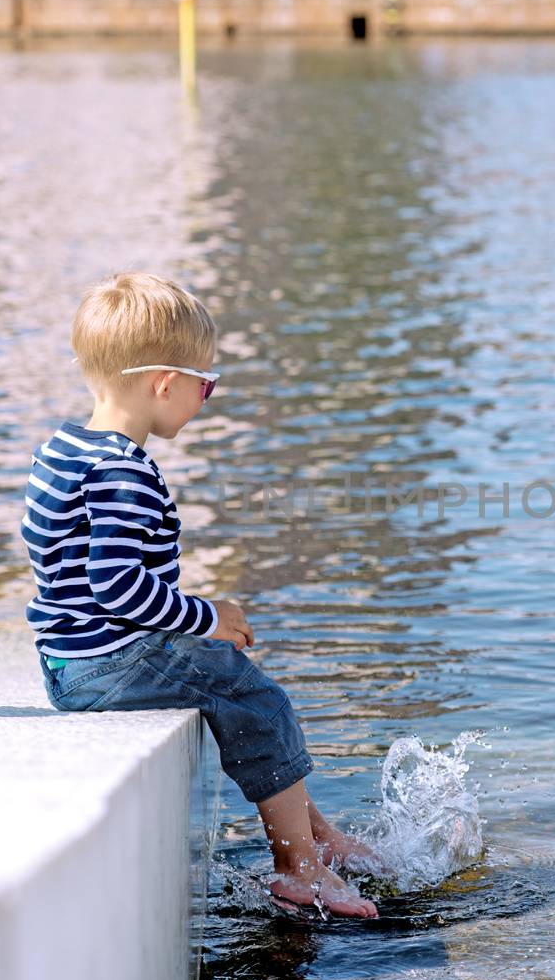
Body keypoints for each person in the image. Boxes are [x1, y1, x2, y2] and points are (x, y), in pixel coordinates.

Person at [20, 271, 377, 919]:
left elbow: (63, 560)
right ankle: (299, 868)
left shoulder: (62, 448)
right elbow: (119, 587)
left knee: (229, 683)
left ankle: (318, 836)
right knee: (255, 696)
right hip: (109, 662)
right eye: (204, 385)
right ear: (164, 383)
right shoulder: (124, 471)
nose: (205, 398)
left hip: (68, 658)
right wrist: (208, 618)